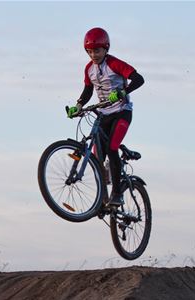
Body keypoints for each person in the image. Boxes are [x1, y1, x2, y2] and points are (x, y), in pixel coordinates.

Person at [67, 27, 145, 206]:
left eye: (97, 50)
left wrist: (122, 92)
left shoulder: (114, 64)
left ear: (106, 49)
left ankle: (117, 194)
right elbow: (88, 90)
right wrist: (78, 106)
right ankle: (102, 198)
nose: (93, 54)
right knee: (97, 158)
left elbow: (139, 79)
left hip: (121, 112)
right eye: (90, 51)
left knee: (112, 148)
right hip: (103, 114)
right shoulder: (89, 69)